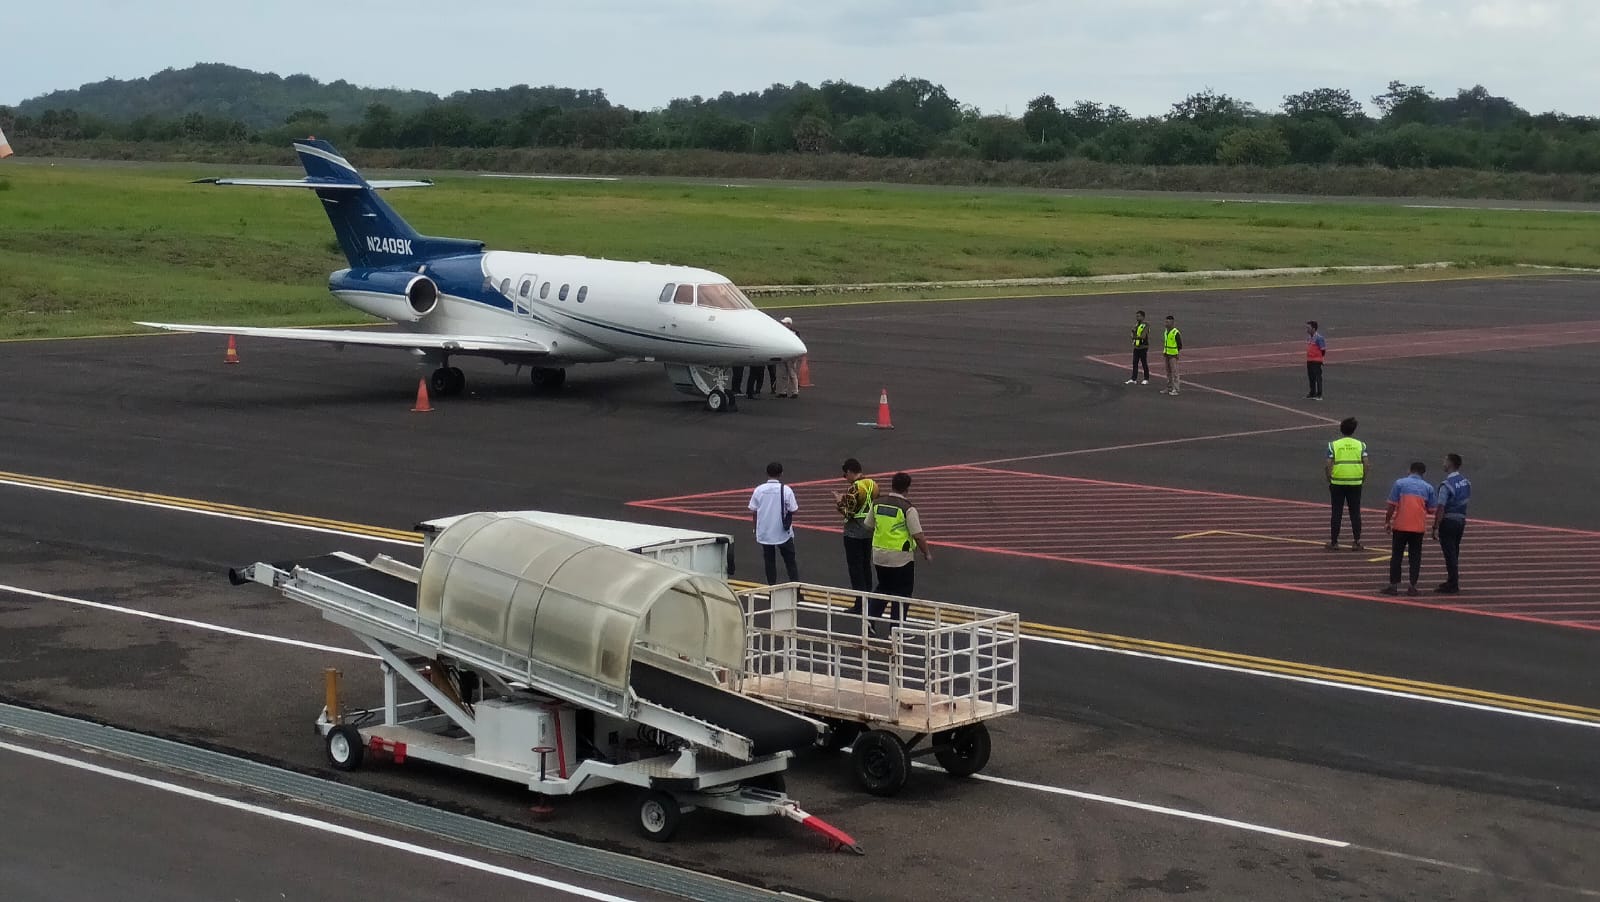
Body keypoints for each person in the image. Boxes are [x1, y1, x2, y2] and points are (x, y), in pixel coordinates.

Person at [864, 472, 931, 626]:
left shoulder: (877, 503)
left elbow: (868, 525)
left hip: (879, 554)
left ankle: (870, 619)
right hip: (901, 557)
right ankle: (896, 630)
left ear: (892, 485)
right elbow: (918, 535)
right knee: (902, 593)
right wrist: (926, 553)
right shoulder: (908, 508)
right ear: (907, 489)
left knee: (883, 588)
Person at [1382, 461, 1437, 596]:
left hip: (1400, 526)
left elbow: (1391, 505)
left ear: (1409, 470)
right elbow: (1431, 509)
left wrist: (1387, 521)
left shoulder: (1399, 483)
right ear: (1424, 473)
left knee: (1396, 556)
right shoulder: (1428, 487)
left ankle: (1393, 585)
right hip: (1417, 528)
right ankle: (1412, 586)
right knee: (1415, 557)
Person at [836, 459, 879, 616]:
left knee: (856, 569)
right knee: (866, 566)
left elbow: (849, 512)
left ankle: (859, 602)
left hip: (854, 533)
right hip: (869, 531)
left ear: (849, 471)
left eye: (845, 474)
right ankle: (868, 597)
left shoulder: (855, 488)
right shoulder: (873, 484)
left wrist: (839, 502)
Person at [747, 461, 799, 584]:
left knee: (769, 563)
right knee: (790, 562)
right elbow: (794, 509)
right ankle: (796, 589)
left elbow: (753, 511)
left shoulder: (759, 490)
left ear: (767, 473)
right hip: (783, 532)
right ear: (781, 474)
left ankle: (772, 589)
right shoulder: (786, 490)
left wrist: (756, 529)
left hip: (765, 532)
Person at [1325, 416, 1369, 551]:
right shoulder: (1361, 445)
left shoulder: (1333, 445)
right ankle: (1356, 541)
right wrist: (1363, 478)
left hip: (1337, 481)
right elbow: (1366, 464)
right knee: (1355, 512)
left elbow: (1328, 464)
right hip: (1355, 482)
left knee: (1336, 511)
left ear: (1341, 429)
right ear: (1354, 430)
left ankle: (1334, 542)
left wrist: (1329, 478)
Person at [1430, 453, 1472, 594]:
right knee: (1455, 551)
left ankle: (1453, 583)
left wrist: (1435, 525)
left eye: (1445, 460)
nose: (1443, 463)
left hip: (1448, 521)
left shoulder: (1446, 485)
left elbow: (1441, 506)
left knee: (1450, 553)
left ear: (1450, 463)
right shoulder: (1465, 482)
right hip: (1461, 520)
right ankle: (1451, 580)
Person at [775, 317, 802, 398]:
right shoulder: (780, 332)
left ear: (789, 324)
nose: (783, 324)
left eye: (785, 323)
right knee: (783, 374)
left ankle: (795, 391)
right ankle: (783, 391)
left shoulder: (795, 332)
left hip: (791, 356)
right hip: (783, 355)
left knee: (792, 374)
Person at [1126, 310, 1151, 385]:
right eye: (1137, 316)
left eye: (1139, 316)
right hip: (1136, 347)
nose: (1137, 317)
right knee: (1135, 363)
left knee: (1144, 363)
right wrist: (1134, 335)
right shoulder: (1136, 325)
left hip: (1143, 346)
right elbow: (1132, 335)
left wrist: (1135, 336)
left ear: (1143, 317)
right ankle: (1134, 378)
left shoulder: (1146, 325)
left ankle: (1146, 378)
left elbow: (1143, 336)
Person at [1161, 315, 1182, 395]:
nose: (1166, 323)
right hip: (1166, 353)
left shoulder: (1175, 332)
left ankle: (1176, 389)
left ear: (1172, 323)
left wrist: (1175, 352)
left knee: (1175, 372)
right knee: (1168, 372)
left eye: (1168, 322)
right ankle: (1169, 387)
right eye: (1165, 321)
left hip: (1173, 355)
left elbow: (1180, 345)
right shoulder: (1166, 331)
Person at [1305, 320, 1326, 400]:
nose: (1307, 329)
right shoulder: (1309, 337)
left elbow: (1323, 350)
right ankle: (1312, 392)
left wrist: (1321, 359)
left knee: (1317, 377)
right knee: (1311, 377)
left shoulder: (1319, 338)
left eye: (1308, 328)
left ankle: (1319, 394)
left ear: (1313, 329)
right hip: (1310, 360)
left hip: (1316, 360)